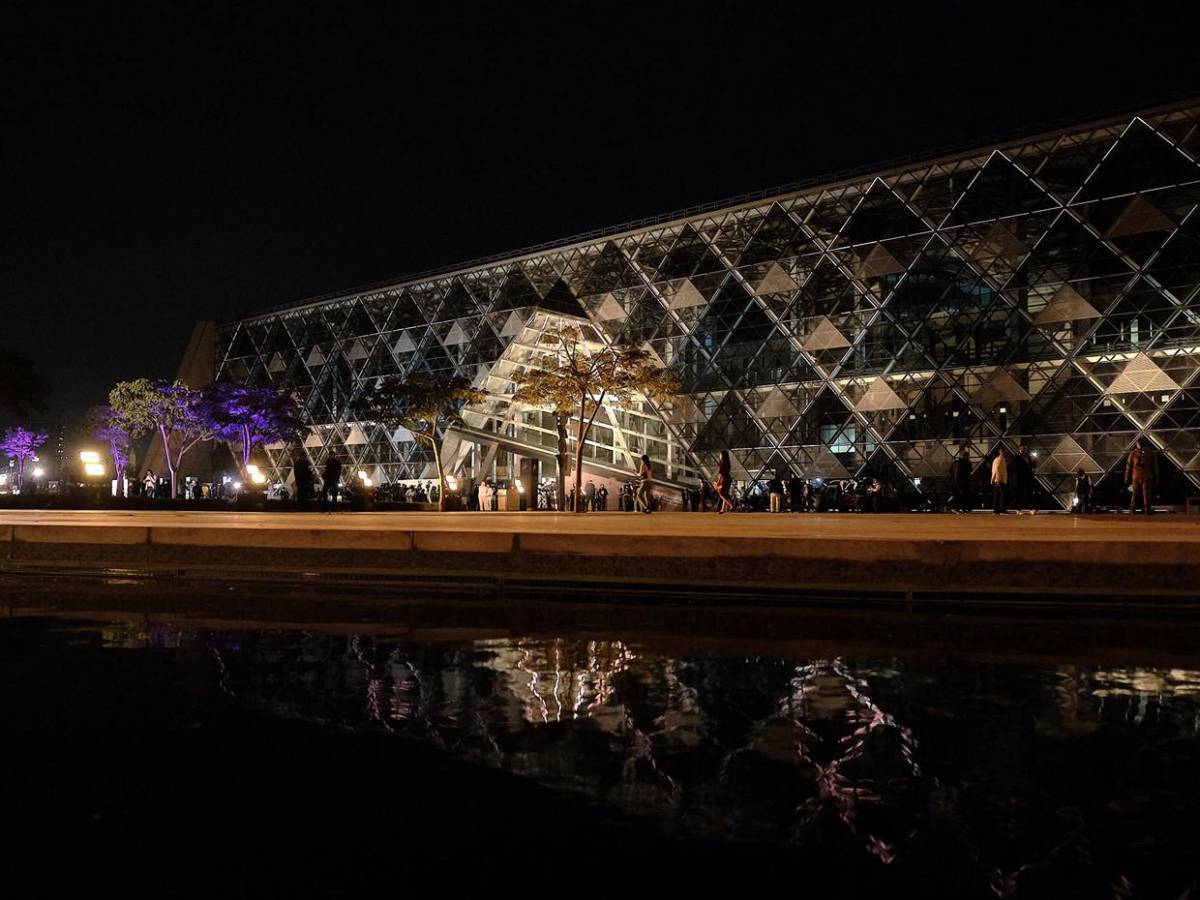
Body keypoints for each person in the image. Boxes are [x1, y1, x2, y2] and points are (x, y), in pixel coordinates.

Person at [1125, 436, 1159, 515]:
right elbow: (1155, 467)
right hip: (1147, 474)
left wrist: (1126, 477)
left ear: (1138, 444)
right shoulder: (1151, 453)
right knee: (1146, 492)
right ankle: (1147, 509)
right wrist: (1156, 477)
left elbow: (1128, 466)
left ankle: (1132, 509)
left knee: (1134, 492)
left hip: (1135, 475)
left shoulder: (1133, 453)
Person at [1011, 444, 1036, 514]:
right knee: (1019, 493)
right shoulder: (1016, 457)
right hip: (1020, 478)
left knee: (1029, 493)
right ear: (1019, 449)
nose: (1024, 449)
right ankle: (1018, 509)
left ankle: (1031, 508)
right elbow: (1015, 467)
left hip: (1028, 477)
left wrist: (1033, 461)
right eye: (1022, 448)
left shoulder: (1029, 457)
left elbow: (1033, 466)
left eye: (1025, 448)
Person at [949, 448, 972, 513]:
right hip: (963, 483)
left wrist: (954, 480)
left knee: (957, 496)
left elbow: (950, 471)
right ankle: (961, 508)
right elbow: (967, 473)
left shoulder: (955, 463)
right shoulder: (966, 463)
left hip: (956, 482)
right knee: (963, 496)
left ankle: (956, 508)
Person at [991, 446, 1009, 514]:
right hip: (1000, 480)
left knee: (997, 495)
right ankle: (1002, 509)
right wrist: (999, 479)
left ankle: (996, 510)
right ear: (1001, 451)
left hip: (996, 479)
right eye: (1005, 451)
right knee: (1002, 495)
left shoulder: (996, 459)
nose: (1006, 452)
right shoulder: (1001, 459)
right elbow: (997, 469)